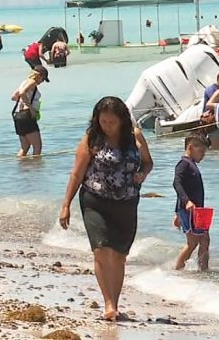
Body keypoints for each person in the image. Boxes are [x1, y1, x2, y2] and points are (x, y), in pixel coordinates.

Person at [59, 96, 153, 321]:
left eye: (112, 122)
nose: (108, 126)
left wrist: (143, 173)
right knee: (101, 250)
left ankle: (116, 301)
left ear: (122, 120)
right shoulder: (91, 139)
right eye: (103, 122)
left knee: (119, 255)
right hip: (95, 201)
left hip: (127, 202)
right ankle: (108, 304)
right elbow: (76, 174)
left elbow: (148, 162)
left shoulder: (136, 137)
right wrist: (66, 205)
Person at [173, 134, 210, 272]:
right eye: (201, 151)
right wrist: (186, 203)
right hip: (189, 209)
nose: (203, 155)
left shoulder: (192, 164)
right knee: (192, 242)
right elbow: (177, 184)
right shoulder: (183, 164)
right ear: (190, 147)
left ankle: (204, 271)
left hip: (198, 210)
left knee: (205, 239)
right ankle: (177, 270)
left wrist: (176, 213)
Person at [11, 65, 48, 156]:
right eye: (43, 79)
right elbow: (22, 92)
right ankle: (36, 169)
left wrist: (24, 101)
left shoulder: (24, 82)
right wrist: (31, 108)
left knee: (25, 147)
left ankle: (22, 169)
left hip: (19, 116)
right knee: (37, 146)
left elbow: (14, 97)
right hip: (27, 116)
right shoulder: (32, 82)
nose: (42, 82)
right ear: (39, 75)